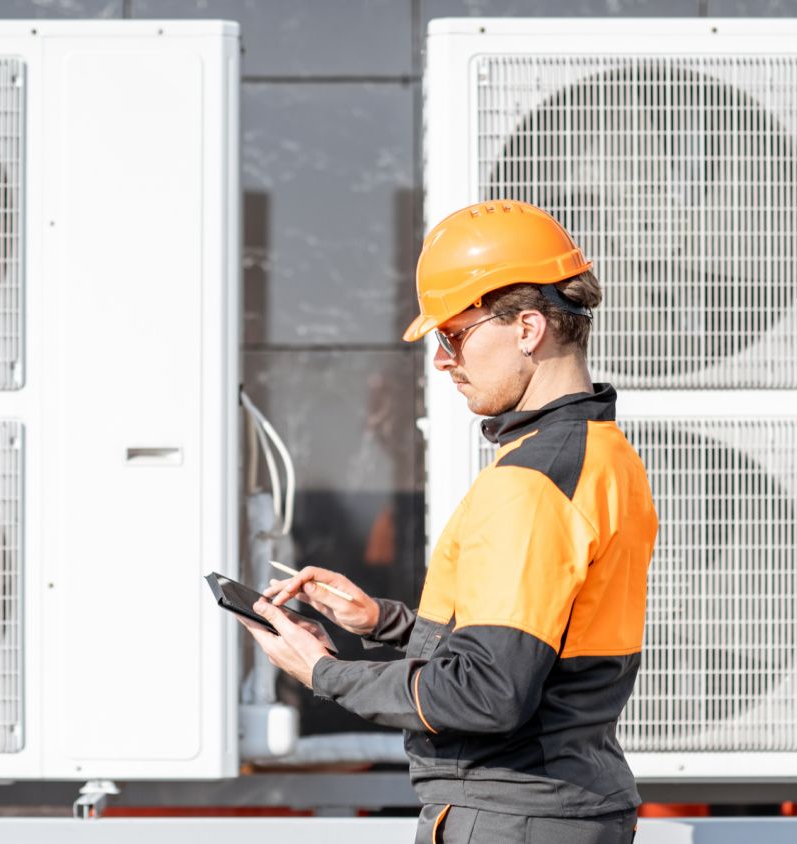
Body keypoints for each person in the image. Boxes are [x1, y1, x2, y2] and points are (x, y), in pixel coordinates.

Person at [237, 199, 659, 843]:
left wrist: (323, 672)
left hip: (513, 814)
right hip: (557, 805)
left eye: (453, 334)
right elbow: (542, 649)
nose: (442, 359)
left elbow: (489, 694)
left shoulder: (531, 481)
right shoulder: (604, 455)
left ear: (526, 328)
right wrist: (384, 623)